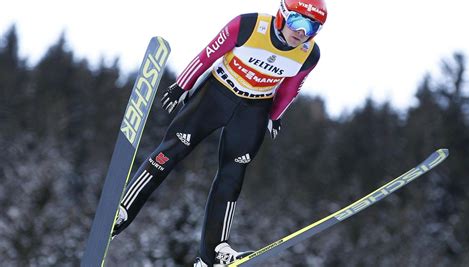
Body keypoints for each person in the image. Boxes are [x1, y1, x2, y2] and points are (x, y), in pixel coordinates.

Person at [113, 0, 328, 265]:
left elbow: (290, 89)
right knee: (172, 150)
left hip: (253, 108)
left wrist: (274, 117)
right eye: (298, 22)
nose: (302, 32)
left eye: (313, 27)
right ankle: (122, 210)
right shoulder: (248, 25)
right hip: (217, 94)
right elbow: (208, 54)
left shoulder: (309, 54)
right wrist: (182, 85)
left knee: (232, 175)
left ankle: (212, 253)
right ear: (283, 15)